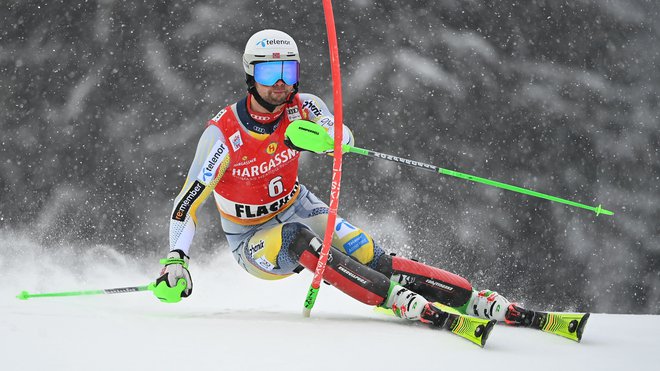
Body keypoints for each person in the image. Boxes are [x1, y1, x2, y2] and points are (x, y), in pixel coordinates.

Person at [154, 29, 534, 328]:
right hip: (252, 239)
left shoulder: (305, 107)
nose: (281, 83)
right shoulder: (223, 136)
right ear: (250, 76)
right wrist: (177, 260)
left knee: (370, 256)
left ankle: (470, 298)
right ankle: (393, 299)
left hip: (299, 205)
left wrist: (328, 139)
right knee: (300, 240)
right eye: (271, 73)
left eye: (289, 71)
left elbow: (343, 137)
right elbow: (187, 203)